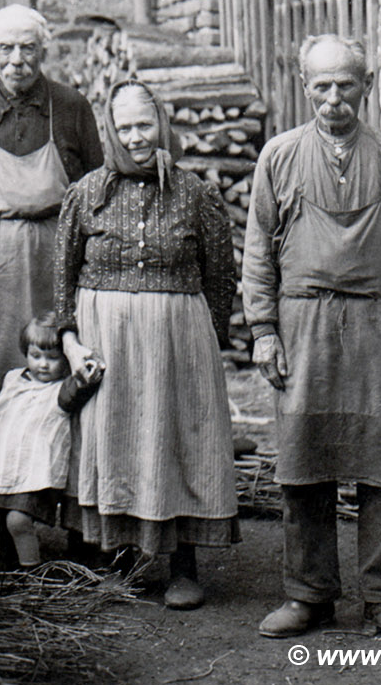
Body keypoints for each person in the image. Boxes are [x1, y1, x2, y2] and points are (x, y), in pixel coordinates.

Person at [242, 35, 381, 645]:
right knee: (304, 460)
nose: (334, 99)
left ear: (368, 85)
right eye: (321, 86)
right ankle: (308, 595)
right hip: (305, 327)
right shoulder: (278, 158)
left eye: (346, 85)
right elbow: (258, 252)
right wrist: (262, 330)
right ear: (304, 87)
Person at [52, 79, 240, 610]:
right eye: (124, 127)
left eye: (145, 125)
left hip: (175, 340)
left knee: (175, 439)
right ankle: (120, 562)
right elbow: (62, 279)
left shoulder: (194, 192)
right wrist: (70, 343)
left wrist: (204, 342)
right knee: (113, 439)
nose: (136, 137)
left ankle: (183, 565)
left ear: (161, 124)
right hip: (104, 338)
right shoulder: (86, 193)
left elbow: (220, 275)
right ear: (110, 129)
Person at [0, 4, 104, 408]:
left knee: (57, 354)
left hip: (58, 252)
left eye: (28, 48)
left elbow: (98, 189)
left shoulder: (72, 107)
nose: (17, 60)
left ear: (43, 52)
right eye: (6, 49)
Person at [0, 316, 80, 568]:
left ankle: (31, 574)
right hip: (1, 462)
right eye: (35, 356)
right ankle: (11, 567)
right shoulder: (10, 381)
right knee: (0, 517)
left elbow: (87, 378)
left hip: (34, 469)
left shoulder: (62, 390)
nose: (43, 365)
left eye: (52, 358)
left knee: (18, 520)